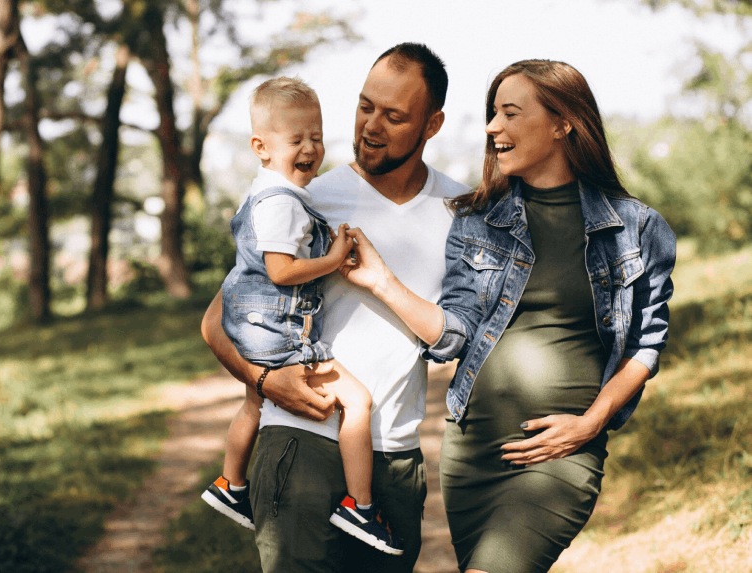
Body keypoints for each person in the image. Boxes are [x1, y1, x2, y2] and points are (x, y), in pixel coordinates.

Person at [340, 59, 676, 573]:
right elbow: (454, 334)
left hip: (560, 455)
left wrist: (591, 423)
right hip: (472, 454)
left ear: (563, 124)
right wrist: (383, 283)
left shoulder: (636, 228)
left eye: (511, 113)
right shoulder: (476, 220)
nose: (492, 127)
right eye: (493, 113)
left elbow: (645, 345)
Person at [201, 43, 470, 573]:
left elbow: (457, 336)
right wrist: (264, 381)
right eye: (365, 106)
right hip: (300, 443)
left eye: (394, 116)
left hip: (395, 459)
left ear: (432, 124)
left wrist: (385, 283)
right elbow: (217, 322)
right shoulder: (304, 198)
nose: (371, 126)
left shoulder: (461, 211)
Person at [200, 76, 402, 556]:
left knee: (254, 403)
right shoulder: (283, 204)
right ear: (261, 147)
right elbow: (281, 270)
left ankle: (230, 483)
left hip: (251, 329)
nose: (310, 148)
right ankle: (360, 505)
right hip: (278, 335)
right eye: (296, 140)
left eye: (317, 136)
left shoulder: (264, 193)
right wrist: (332, 260)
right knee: (358, 401)